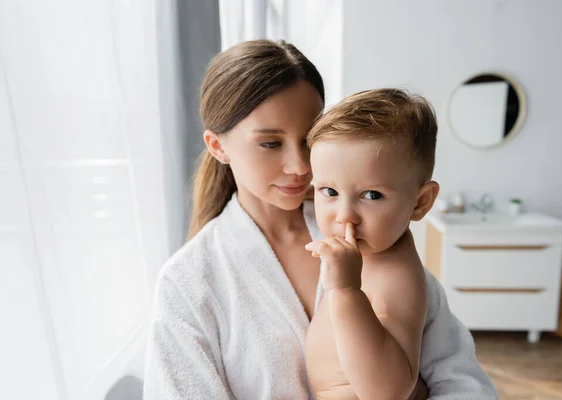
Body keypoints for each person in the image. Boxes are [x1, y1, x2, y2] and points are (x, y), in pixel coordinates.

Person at [143, 39, 497, 399]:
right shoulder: (187, 284)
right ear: (218, 146)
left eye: (308, 140)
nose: (299, 167)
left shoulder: (373, 235)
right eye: (270, 143)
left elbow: (460, 379)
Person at [305, 88, 440, 399]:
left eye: (372, 196)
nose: (344, 217)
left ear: (420, 202)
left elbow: (389, 392)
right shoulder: (375, 248)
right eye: (328, 192)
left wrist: (345, 291)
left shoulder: (398, 277)